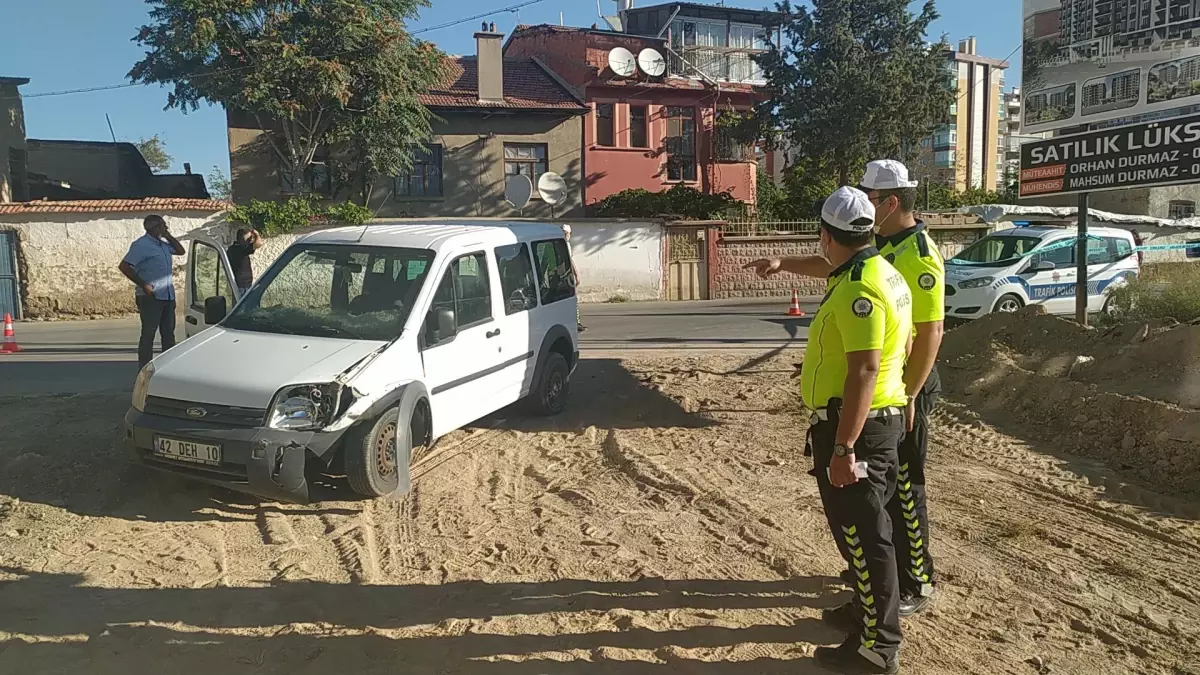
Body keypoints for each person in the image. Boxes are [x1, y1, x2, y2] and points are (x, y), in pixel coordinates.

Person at [744, 160, 945, 621]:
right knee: (875, 505)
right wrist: (783, 262)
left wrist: (910, 393)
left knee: (902, 493)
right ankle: (879, 584)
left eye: (871, 200)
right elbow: (836, 261)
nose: (867, 208)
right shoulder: (882, 249)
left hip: (900, 388)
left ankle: (914, 579)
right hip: (885, 387)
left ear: (890, 203)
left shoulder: (917, 253)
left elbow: (930, 333)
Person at [752, 186, 912, 674]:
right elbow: (831, 269)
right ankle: (865, 616)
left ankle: (878, 647)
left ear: (826, 235)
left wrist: (844, 446)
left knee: (865, 537)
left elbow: (864, 369)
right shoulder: (876, 268)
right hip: (868, 422)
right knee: (863, 534)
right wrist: (783, 264)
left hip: (857, 428)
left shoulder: (859, 288)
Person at [118, 214, 186, 369]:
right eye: (163, 226)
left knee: (168, 333)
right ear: (155, 228)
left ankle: (169, 366)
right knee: (149, 334)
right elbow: (124, 266)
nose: (166, 228)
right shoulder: (141, 245)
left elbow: (180, 251)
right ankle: (144, 367)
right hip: (151, 296)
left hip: (167, 295)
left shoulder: (162, 245)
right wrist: (143, 285)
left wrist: (168, 235)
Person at [562, 224, 585, 333]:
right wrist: (577, 275)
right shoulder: (566, 244)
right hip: (567, 276)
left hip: (561, 276)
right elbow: (570, 260)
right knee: (573, 299)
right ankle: (577, 323)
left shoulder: (557, 243)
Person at [227, 228, 264, 294]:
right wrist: (256, 234)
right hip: (243, 286)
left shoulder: (232, 249)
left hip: (238, 284)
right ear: (242, 239)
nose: (250, 241)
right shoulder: (242, 249)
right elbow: (259, 243)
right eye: (248, 239)